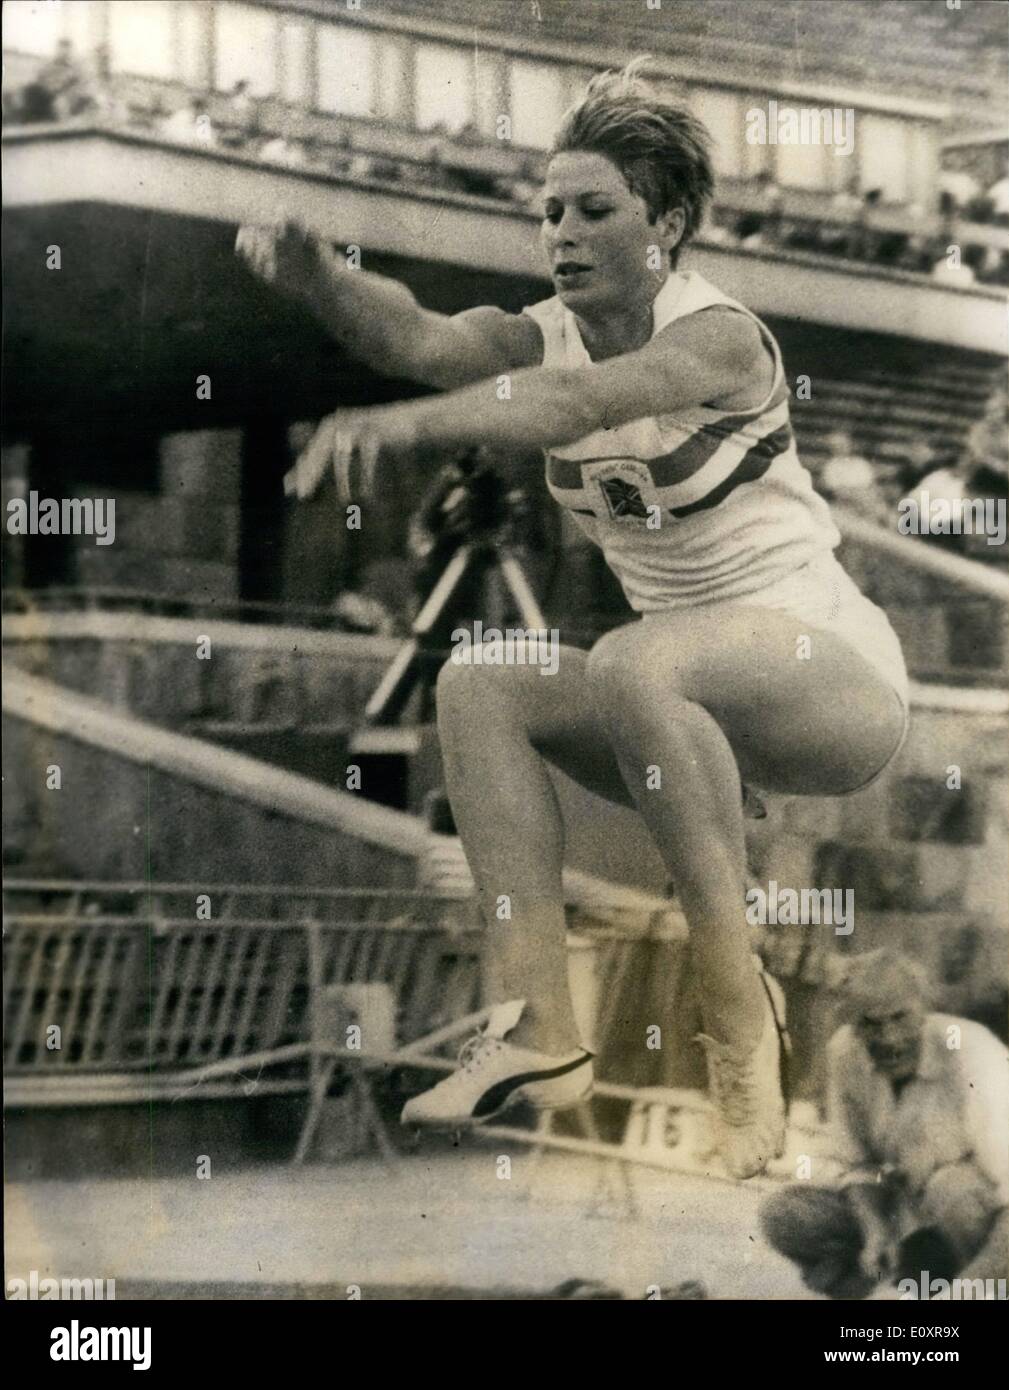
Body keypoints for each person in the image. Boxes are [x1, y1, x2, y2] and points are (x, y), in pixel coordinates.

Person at [236, 60, 910, 1179]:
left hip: (831, 685)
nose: (562, 232)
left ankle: (739, 1010)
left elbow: (578, 405)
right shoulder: (536, 331)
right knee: (477, 681)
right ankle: (537, 1029)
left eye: (595, 210)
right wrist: (317, 275)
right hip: (682, 717)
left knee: (634, 659)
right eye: (549, 210)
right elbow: (415, 339)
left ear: (669, 223)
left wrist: (401, 433)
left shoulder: (719, 338)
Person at [760, 950, 1008, 1297]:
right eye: (870, 1023)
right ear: (851, 1022)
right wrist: (876, 1230)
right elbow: (858, 1163)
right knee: (787, 1215)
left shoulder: (973, 1051)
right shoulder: (844, 1052)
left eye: (900, 1018)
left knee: (952, 1187)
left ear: (924, 1010)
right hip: (911, 1216)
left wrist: (964, 1293)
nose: (889, 1038)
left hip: (978, 1226)